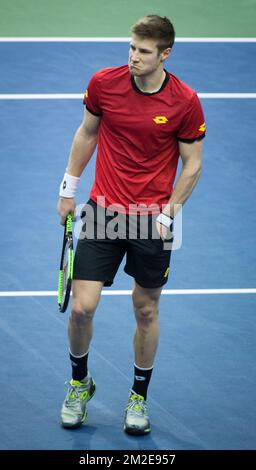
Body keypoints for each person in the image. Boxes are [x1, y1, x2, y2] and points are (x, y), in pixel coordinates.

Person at [57, 14, 205, 435]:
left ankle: (138, 395)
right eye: (131, 48)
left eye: (143, 51)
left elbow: (192, 166)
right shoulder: (105, 83)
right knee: (82, 309)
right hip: (102, 210)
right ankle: (79, 383)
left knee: (145, 309)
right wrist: (68, 187)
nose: (133, 57)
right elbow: (87, 133)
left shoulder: (185, 101)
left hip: (152, 220)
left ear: (165, 54)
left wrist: (168, 214)